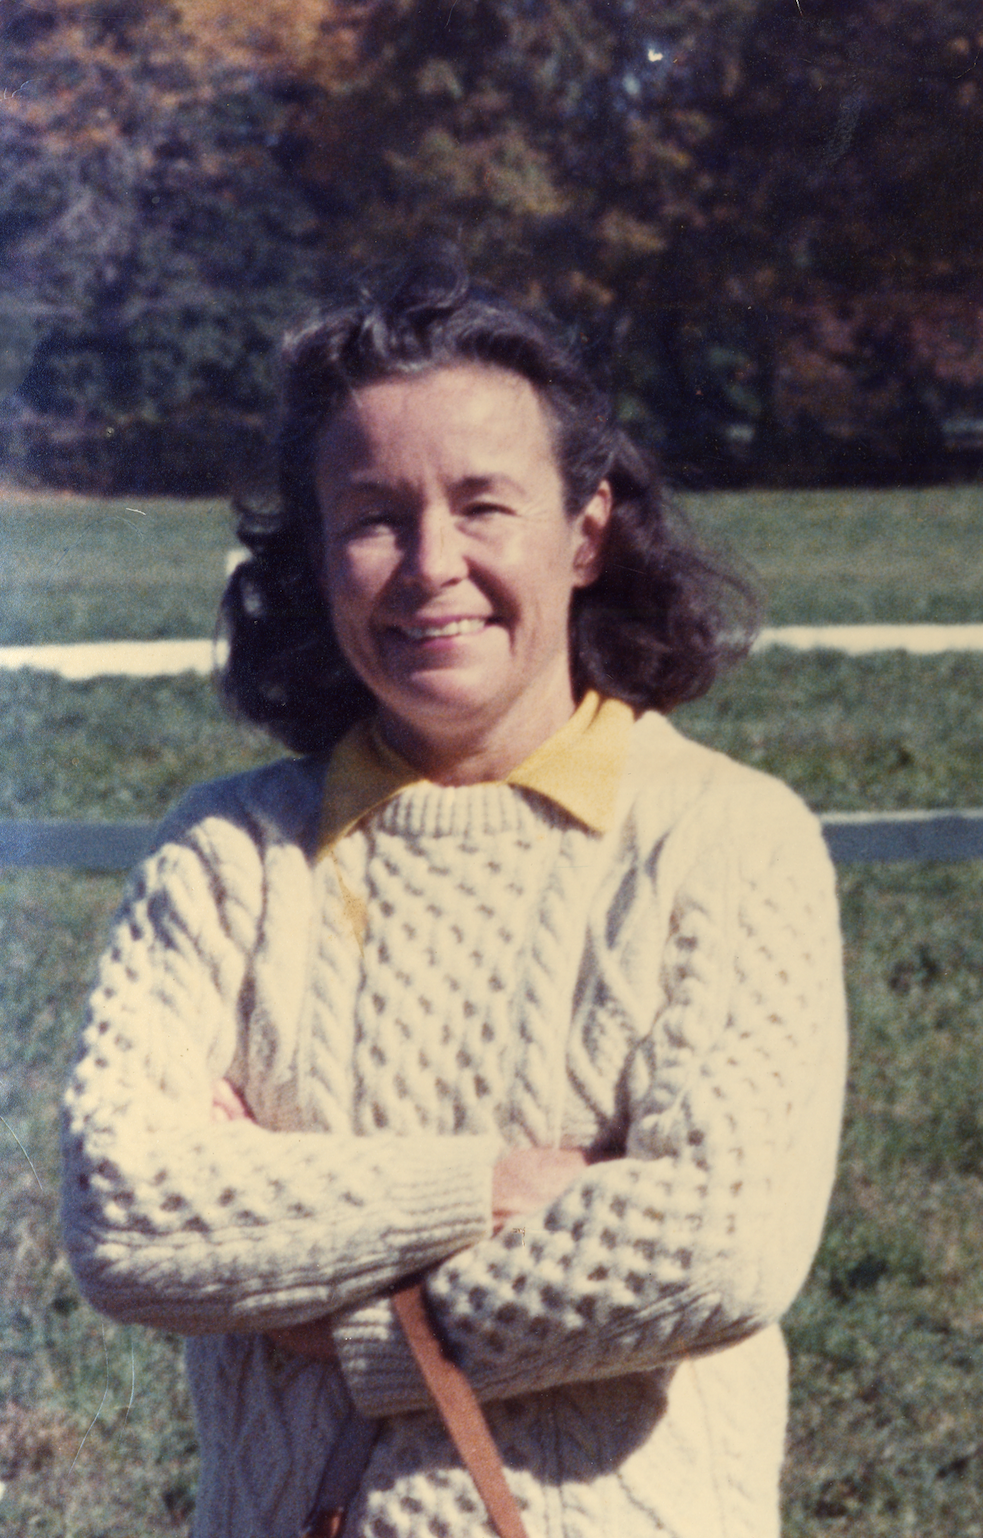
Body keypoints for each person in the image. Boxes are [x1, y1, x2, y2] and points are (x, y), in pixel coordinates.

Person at [60, 254, 847, 1538]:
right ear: (314, 553)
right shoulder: (223, 853)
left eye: (484, 506)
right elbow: (124, 1209)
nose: (432, 563)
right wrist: (486, 1188)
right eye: (373, 515)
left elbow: (722, 1240)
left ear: (584, 534)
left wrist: (363, 1321)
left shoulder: (728, 838)